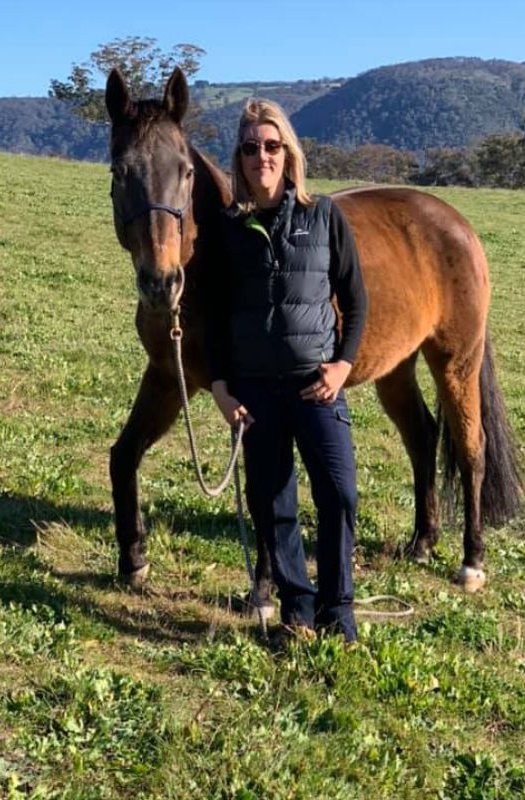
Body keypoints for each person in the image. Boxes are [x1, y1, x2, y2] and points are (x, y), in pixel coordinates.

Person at [205, 98, 368, 643]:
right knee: (274, 506)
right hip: (255, 391)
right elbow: (214, 315)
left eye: (272, 145)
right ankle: (298, 610)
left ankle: (338, 612)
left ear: (289, 152)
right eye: (251, 148)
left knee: (339, 494)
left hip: (316, 387)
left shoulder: (324, 216)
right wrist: (221, 389)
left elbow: (356, 298)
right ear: (240, 157)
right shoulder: (229, 228)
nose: (262, 157)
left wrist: (343, 365)